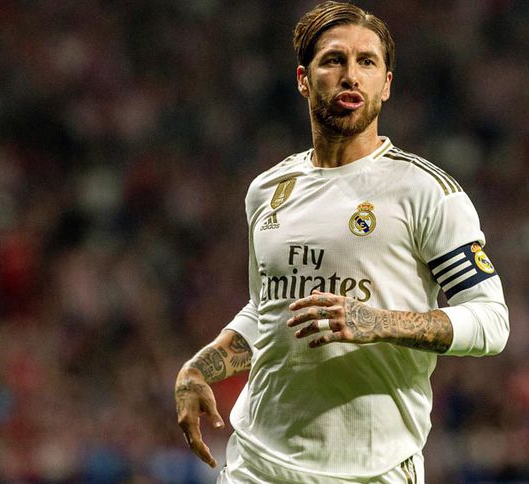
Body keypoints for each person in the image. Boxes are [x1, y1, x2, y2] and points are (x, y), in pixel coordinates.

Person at [174, 2, 509, 482]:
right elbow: (269, 308)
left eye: (366, 62)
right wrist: (200, 368)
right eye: (334, 60)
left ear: (386, 84)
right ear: (303, 79)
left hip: (372, 469)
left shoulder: (426, 192)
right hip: (257, 464)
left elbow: (492, 322)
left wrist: (377, 322)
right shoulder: (268, 189)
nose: (351, 75)